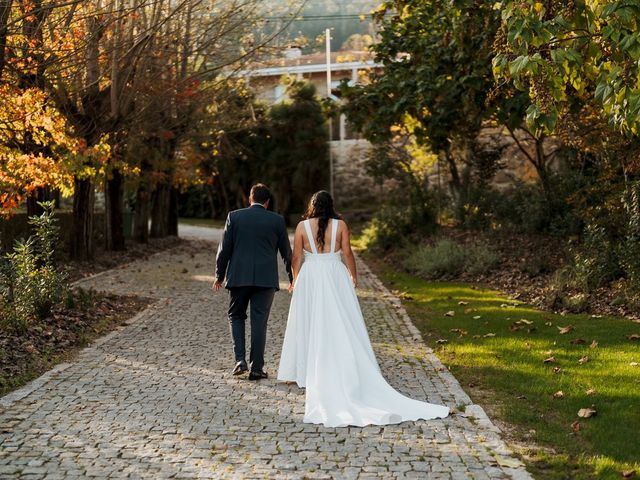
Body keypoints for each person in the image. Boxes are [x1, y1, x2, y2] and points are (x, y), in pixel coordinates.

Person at [277, 190, 449, 427]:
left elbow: (296, 257)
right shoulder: (341, 225)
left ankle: (305, 371)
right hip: (334, 274)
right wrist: (352, 276)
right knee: (340, 321)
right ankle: (343, 363)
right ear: (331, 206)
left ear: (312, 206)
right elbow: (347, 253)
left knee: (308, 319)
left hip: (311, 276)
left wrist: (295, 279)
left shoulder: (301, 227)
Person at [214, 184, 292, 380]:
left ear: (250, 199)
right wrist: (293, 279)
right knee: (259, 322)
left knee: (236, 316)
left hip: (239, 277)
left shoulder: (235, 216)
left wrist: (219, 275)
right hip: (265, 280)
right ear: (267, 202)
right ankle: (257, 368)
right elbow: (287, 255)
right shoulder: (277, 220)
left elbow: (224, 249)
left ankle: (240, 360)